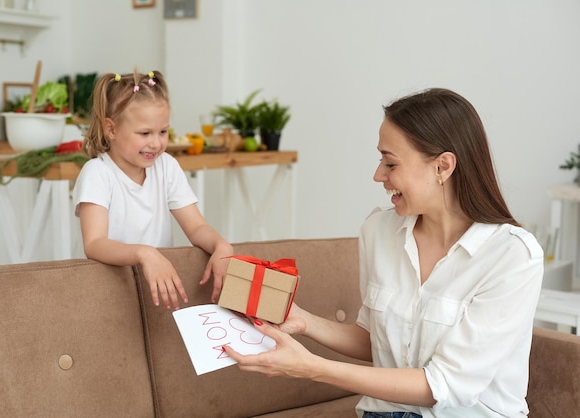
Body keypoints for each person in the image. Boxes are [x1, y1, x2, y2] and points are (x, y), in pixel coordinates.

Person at [224, 88, 544, 417]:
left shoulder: (512, 257)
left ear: (443, 167)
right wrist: (304, 321)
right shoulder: (378, 231)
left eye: (390, 162)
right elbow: (375, 341)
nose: (378, 175)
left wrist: (312, 367)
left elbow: (445, 385)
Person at [73, 69, 233, 309]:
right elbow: (94, 244)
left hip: (153, 292)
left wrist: (222, 246)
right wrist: (145, 254)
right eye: (145, 133)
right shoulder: (97, 173)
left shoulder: (167, 167)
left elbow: (197, 227)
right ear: (111, 129)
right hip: (107, 292)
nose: (156, 143)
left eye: (163, 132)